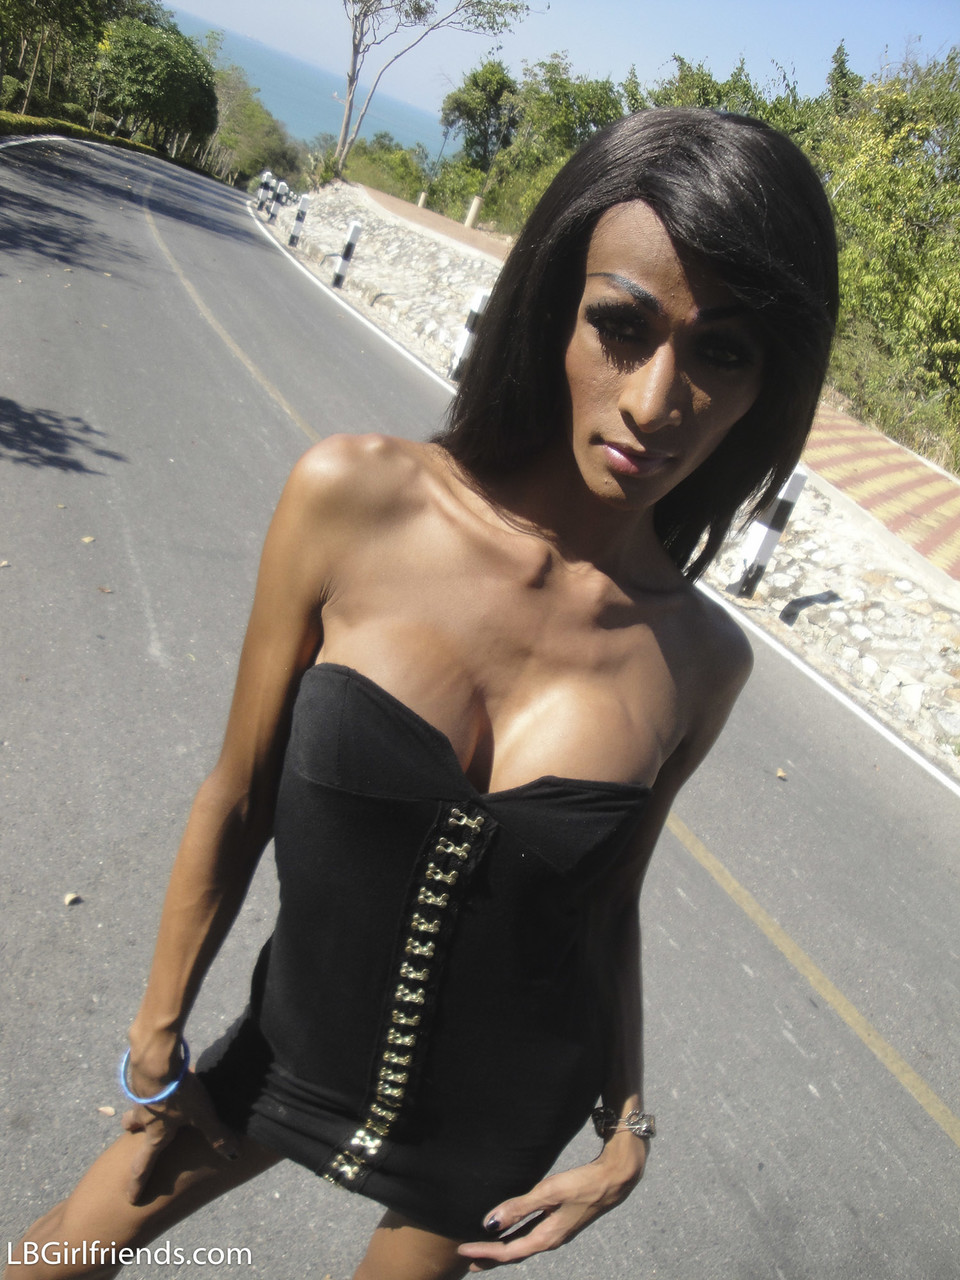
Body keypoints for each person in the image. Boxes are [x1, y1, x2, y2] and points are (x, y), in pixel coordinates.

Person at [7, 107, 838, 1280]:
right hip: (283, 1050)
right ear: (554, 309)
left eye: (725, 353)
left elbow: (609, 903)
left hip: (489, 1134)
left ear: (768, 385)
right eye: (622, 326)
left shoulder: (703, 661)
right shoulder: (356, 496)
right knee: (51, 1257)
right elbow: (238, 792)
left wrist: (627, 1129)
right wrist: (156, 1034)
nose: (658, 400)